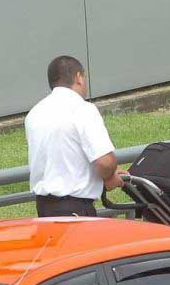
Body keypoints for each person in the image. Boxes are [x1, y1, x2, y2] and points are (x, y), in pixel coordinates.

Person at [25, 55, 124, 217]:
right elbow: (105, 162)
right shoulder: (83, 109)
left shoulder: (34, 113)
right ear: (79, 77)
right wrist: (110, 176)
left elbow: (62, 160)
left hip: (44, 208)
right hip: (76, 211)